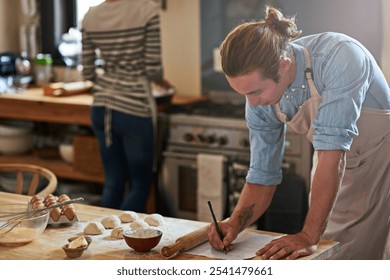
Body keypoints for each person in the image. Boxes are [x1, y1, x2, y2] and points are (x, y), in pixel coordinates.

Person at [208, 6, 390, 259]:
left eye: (255, 92)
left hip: (380, 158)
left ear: (283, 66)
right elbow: (262, 176)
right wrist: (234, 222)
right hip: (337, 165)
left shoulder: (339, 57)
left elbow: (331, 156)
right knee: (332, 253)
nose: (252, 102)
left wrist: (307, 236)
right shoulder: (259, 101)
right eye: (243, 94)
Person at [81, 0, 168, 212]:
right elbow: (152, 69)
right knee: (139, 185)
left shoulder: (91, 15)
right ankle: (121, 239)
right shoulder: (146, 10)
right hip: (134, 108)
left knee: (113, 182)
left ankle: (102, 241)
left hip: (101, 107)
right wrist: (163, 82)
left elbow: (88, 73)